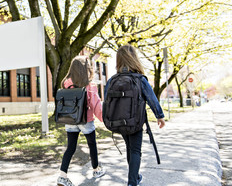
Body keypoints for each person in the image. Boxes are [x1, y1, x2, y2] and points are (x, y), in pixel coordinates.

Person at [104, 45, 165, 186]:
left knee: (130, 149)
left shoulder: (112, 80)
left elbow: (106, 101)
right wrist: (159, 116)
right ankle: (132, 182)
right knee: (135, 150)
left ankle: (135, 177)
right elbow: (152, 98)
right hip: (135, 122)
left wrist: (106, 118)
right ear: (134, 59)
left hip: (118, 121)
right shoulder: (139, 79)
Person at [57, 56, 106, 186]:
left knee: (70, 148)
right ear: (86, 68)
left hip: (71, 119)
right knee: (92, 145)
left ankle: (62, 176)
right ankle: (96, 170)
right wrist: (103, 119)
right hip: (86, 120)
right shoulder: (89, 85)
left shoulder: (66, 83)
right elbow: (96, 105)